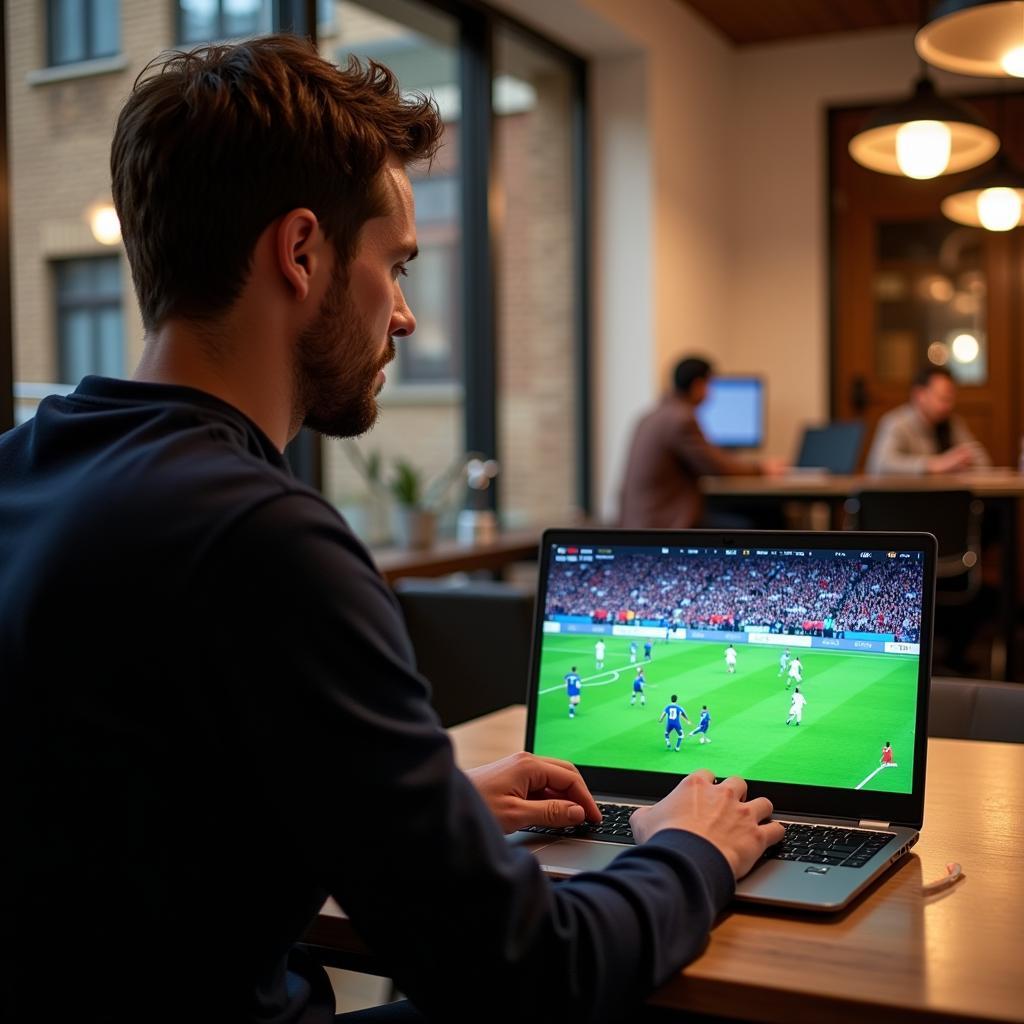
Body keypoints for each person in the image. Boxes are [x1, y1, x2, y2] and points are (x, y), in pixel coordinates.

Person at [0, 36, 784, 1023]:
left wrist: (420, 806)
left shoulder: (24, 470)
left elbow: (135, 825)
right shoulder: (268, 540)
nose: (406, 317)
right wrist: (692, 848)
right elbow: (534, 971)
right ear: (300, 253)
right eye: (396, 266)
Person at [618, 357, 785, 529]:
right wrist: (761, 468)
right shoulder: (680, 419)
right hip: (664, 524)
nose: (711, 393)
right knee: (763, 519)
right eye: (710, 385)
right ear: (698, 386)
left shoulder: (651, 416)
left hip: (639, 520)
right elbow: (718, 467)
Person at [865, 366, 991, 475]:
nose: (949, 406)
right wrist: (934, 465)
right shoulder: (896, 422)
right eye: (943, 399)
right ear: (920, 395)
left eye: (951, 399)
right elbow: (880, 465)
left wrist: (963, 462)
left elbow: (983, 462)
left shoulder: (953, 423)